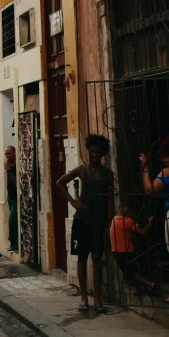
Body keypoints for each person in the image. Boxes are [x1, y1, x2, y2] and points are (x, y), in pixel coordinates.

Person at [56, 134, 114, 314]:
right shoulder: (82, 170)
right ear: (88, 152)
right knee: (81, 259)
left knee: (97, 259)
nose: (94, 155)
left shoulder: (107, 174)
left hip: (98, 223)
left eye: (98, 152)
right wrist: (72, 202)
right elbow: (60, 183)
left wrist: (109, 224)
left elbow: (110, 201)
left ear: (103, 154)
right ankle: (83, 297)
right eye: (92, 152)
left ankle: (97, 298)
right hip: (82, 222)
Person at [109, 201, 155, 296]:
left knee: (130, 272)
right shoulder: (128, 221)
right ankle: (141, 287)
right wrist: (150, 223)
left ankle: (148, 284)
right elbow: (142, 232)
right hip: (124, 251)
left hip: (120, 251)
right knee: (131, 271)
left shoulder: (115, 219)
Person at [5, 146, 18, 253]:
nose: (7, 156)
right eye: (6, 154)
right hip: (10, 197)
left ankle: (15, 245)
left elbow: (16, 182)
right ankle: (14, 243)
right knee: (13, 222)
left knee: (12, 221)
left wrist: (9, 171)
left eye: (9, 153)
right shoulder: (10, 165)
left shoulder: (16, 166)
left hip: (17, 199)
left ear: (14, 153)